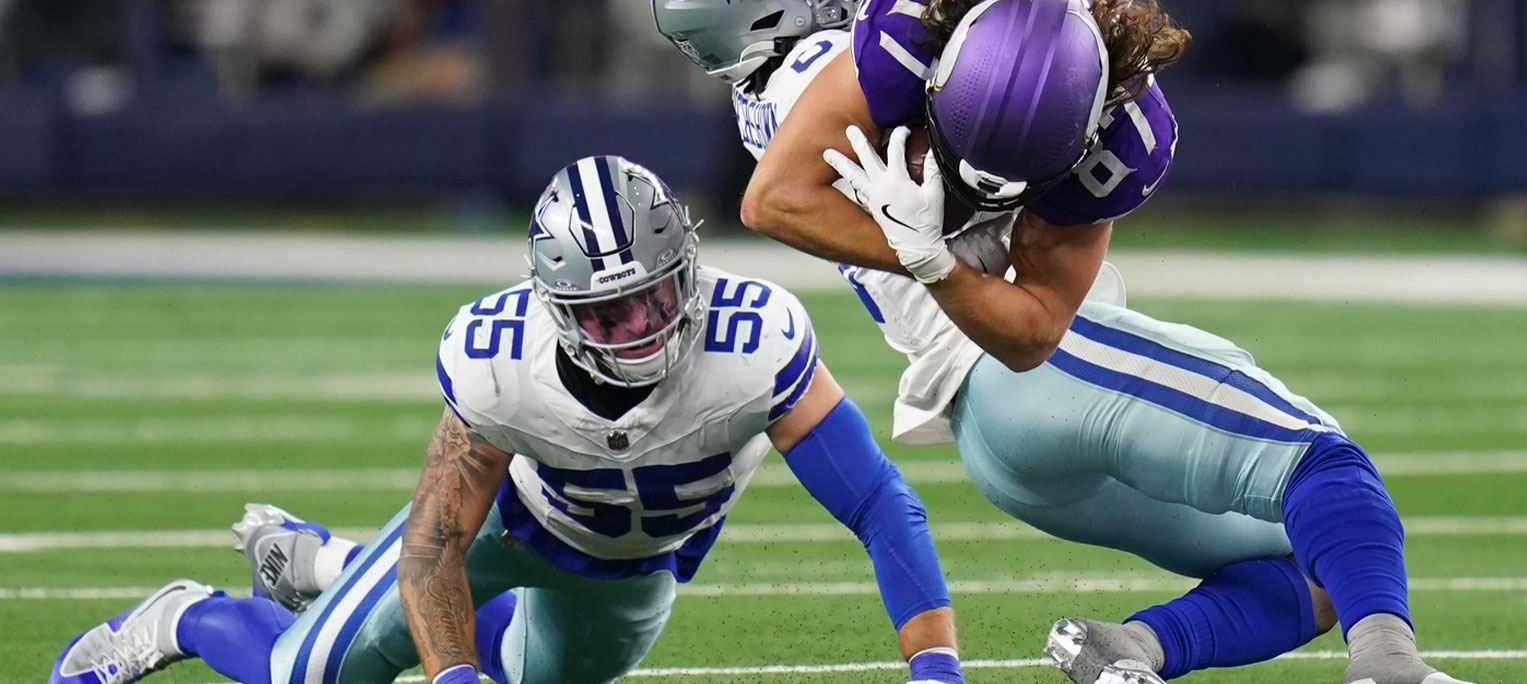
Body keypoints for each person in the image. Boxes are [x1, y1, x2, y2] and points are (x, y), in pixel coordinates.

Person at [652, 0, 1476, 684]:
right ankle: (1393, 670)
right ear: (765, 3)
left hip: (993, 439)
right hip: (1039, 368)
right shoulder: (836, 61)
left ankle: (1134, 650)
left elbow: (1014, 42)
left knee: (1316, 568)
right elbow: (1010, 68)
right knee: (1328, 469)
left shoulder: (773, 103)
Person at [48, 155, 967, 684]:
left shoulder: (755, 339)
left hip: (631, 570)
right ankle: (191, 617)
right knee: (308, 678)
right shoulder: (500, 364)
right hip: (507, 533)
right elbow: (436, 545)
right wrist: (450, 681)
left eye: (654, 297)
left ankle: (322, 562)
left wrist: (938, 675)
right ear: (560, 311)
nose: (643, 329)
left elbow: (881, 506)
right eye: (612, 314)